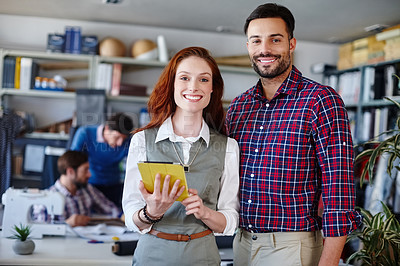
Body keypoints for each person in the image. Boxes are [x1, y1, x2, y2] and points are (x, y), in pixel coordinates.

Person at [225, 3, 362, 266]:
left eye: (275, 40)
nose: (264, 49)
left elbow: (339, 191)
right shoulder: (239, 106)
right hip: (241, 243)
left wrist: (329, 262)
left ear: (291, 44)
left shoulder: (321, 100)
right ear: (248, 47)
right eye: (256, 41)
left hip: (292, 247)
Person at [122, 46, 240, 265]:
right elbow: (130, 214)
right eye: (184, 78)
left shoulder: (228, 147)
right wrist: (151, 213)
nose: (193, 87)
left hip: (202, 257)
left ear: (213, 88)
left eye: (204, 80)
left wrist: (205, 213)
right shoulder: (142, 141)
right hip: (151, 256)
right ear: (172, 84)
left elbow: (230, 219)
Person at [34, 150, 120, 227]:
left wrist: (124, 216)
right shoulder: (46, 199)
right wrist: (67, 223)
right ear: (70, 171)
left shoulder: (87, 189)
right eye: (85, 170)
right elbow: (40, 229)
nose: (89, 175)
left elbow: (110, 209)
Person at [70, 112, 134, 208]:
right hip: (89, 185)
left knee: (114, 216)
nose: (120, 143)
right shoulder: (85, 133)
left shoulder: (127, 142)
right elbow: (72, 159)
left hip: (114, 186)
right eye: (117, 137)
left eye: (123, 139)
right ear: (107, 128)